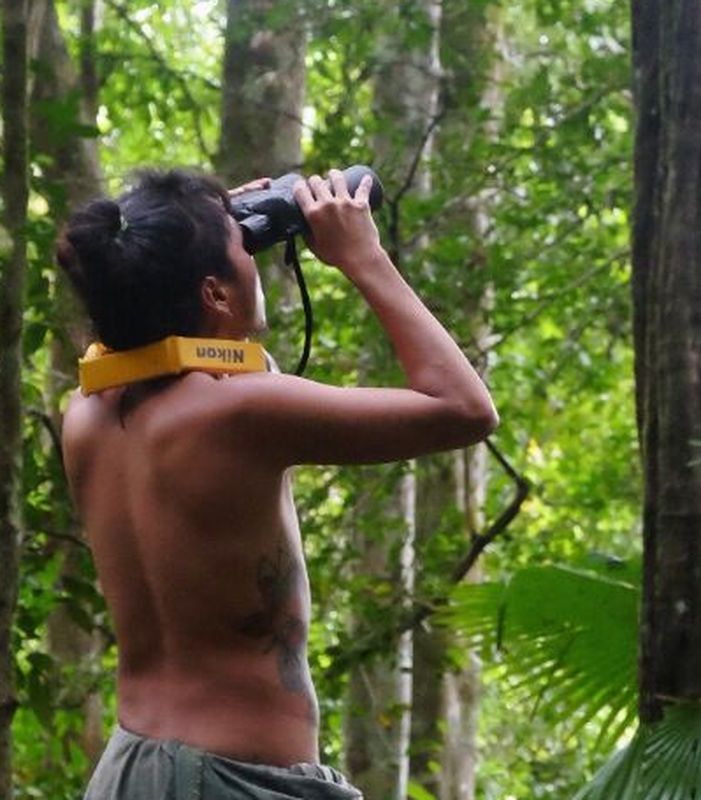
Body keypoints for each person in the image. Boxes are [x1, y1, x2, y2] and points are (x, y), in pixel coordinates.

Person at [56, 167, 498, 798]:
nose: (254, 258)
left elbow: (195, 352)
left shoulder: (87, 412)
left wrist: (201, 228)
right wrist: (363, 257)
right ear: (214, 294)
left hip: (130, 770)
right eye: (245, 251)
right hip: (234, 780)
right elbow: (465, 409)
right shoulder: (240, 413)